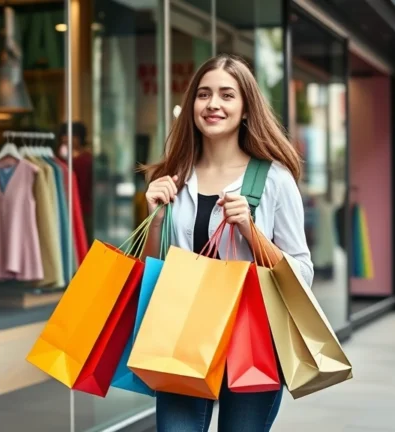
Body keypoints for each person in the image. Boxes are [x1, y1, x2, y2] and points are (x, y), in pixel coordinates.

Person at [140, 54, 313, 431]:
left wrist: (251, 230)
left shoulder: (273, 179)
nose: (213, 104)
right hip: (184, 333)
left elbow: (301, 272)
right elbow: (156, 270)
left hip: (252, 337)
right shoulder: (173, 175)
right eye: (203, 95)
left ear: (246, 107)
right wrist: (153, 216)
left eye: (226, 95)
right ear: (192, 107)